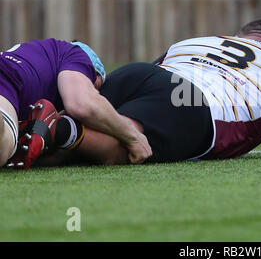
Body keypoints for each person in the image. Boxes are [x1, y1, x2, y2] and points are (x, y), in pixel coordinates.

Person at [26, 19, 261, 167]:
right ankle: (60, 130)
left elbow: (153, 75)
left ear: (239, 35)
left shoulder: (196, 41)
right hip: (194, 104)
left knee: (96, 117)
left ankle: (32, 127)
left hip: (145, 73)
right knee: (129, 147)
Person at [0, 39, 151, 169]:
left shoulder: (38, 57)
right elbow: (81, 104)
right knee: (3, 147)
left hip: (9, 86)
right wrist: (134, 137)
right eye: (94, 86)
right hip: (8, 82)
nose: (95, 91)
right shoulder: (76, 55)